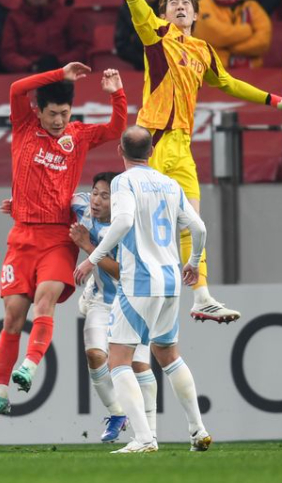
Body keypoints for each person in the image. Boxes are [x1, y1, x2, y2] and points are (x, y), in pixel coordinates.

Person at [104, 0, 282, 323]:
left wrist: (276, 100)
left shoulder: (203, 50)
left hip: (183, 147)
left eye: (185, 3)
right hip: (152, 144)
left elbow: (228, 83)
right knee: (134, 220)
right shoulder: (155, 35)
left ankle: (202, 296)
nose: (179, 6)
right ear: (163, 14)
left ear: (196, 14)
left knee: (192, 224)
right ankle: (111, 284)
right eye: (172, 3)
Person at [0, 65, 127, 422]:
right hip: (21, 237)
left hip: (59, 237)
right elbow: (16, 87)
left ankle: (29, 365)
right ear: (39, 111)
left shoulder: (78, 135)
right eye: (53, 113)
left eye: (65, 113)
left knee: (45, 300)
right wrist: (60, 73)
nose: (60, 120)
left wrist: (116, 94)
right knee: (13, 316)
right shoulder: (24, 126)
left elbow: (116, 129)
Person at [74, 126, 211, 454]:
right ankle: (198, 429)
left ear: (120, 151)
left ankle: (144, 438)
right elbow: (199, 227)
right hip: (170, 280)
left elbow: (121, 222)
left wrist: (91, 258)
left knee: (119, 360)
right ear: (151, 153)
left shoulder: (123, 182)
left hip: (139, 281)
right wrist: (192, 261)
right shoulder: (170, 183)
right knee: (168, 355)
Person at [68, 172, 157, 444]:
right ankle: (117, 414)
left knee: (139, 364)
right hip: (101, 300)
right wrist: (19, 204)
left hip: (132, 301)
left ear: (117, 201)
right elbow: (53, 196)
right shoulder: (82, 205)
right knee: (95, 356)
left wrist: (87, 247)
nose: (96, 200)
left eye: (105, 196)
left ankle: (150, 432)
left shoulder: (126, 228)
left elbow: (124, 273)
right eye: (95, 192)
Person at [0, 0, 89, 73]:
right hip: (27, 75)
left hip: (63, 73)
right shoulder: (14, 18)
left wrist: (60, 64)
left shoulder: (68, 14)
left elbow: (81, 47)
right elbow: (8, 53)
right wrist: (30, 66)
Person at [194, 0, 271, 69]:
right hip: (214, 70)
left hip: (253, 72)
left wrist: (226, 47)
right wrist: (247, 30)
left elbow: (263, 42)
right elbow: (214, 34)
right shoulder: (204, 3)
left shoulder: (253, 6)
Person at [115, 0, 161, 70]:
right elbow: (122, 45)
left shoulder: (168, 8)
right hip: (138, 67)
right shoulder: (126, 11)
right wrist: (147, 61)